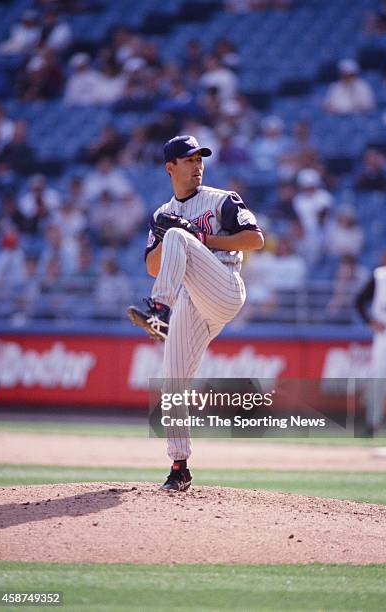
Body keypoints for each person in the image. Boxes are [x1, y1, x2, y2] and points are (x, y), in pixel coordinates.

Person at [127, 135, 264, 491]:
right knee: (173, 380)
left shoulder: (221, 200)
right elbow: (153, 268)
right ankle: (179, 465)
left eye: (200, 159)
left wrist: (200, 238)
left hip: (224, 286)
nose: (198, 165)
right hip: (191, 300)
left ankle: (159, 311)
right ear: (170, 168)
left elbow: (254, 240)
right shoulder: (161, 214)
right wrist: (167, 233)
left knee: (178, 236)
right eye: (189, 160)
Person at [355, 240, 386, 436]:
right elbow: (359, 301)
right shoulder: (380, 276)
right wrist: (370, 321)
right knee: (378, 378)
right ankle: (372, 424)